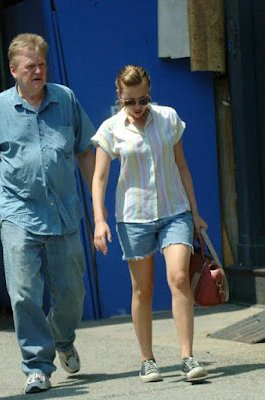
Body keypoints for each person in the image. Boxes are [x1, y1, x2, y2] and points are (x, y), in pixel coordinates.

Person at [0, 33, 96, 394]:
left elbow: (85, 150)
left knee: (72, 293)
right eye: (30, 66)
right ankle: (38, 366)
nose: (38, 71)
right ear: (14, 70)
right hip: (17, 211)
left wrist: (98, 206)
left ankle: (63, 337)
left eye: (42, 64)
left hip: (64, 212)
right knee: (24, 292)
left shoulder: (66, 99)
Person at [91, 65, 209, 383]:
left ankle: (187, 356)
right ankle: (148, 360)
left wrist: (195, 214)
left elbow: (182, 168)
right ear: (120, 96)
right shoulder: (110, 129)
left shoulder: (168, 118)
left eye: (144, 99)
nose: (139, 107)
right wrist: (99, 220)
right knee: (143, 290)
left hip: (175, 211)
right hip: (133, 218)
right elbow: (99, 178)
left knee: (180, 278)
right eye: (131, 101)